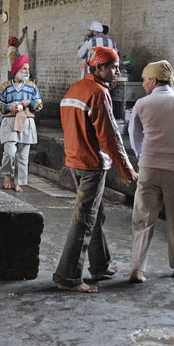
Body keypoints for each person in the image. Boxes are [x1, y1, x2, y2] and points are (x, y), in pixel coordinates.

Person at [53, 46, 138, 293]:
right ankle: (68, 277)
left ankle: (100, 265)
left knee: (94, 214)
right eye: (112, 67)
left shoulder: (75, 89)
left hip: (74, 160)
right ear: (98, 68)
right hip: (91, 164)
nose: (116, 71)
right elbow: (110, 137)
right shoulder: (98, 93)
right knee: (84, 220)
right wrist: (127, 169)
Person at [128, 60, 174, 283]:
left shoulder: (142, 104)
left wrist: (144, 157)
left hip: (149, 167)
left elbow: (135, 136)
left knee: (143, 218)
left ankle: (137, 269)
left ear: (153, 80)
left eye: (144, 80)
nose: (143, 85)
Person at [0, 55, 43, 192]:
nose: (27, 72)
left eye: (28, 69)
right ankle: (7, 175)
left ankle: (19, 182)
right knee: (9, 152)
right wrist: (8, 107)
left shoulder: (32, 87)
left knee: (23, 155)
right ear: (16, 71)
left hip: (27, 122)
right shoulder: (5, 87)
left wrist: (30, 103)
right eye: (24, 69)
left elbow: (39, 105)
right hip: (9, 121)